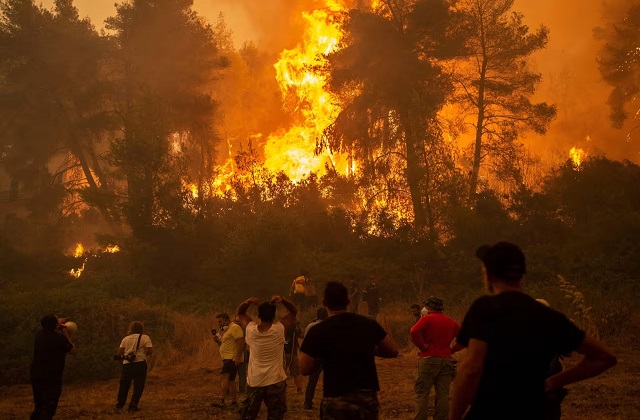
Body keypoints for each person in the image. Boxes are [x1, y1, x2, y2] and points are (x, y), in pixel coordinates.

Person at [450, 242, 618, 420]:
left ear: (488, 274)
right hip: (537, 412)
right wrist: (555, 381)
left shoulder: (485, 308)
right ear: (521, 274)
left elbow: (472, 368)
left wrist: (454, 416)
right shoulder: (549, 316)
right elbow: (605, 357)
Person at [299, 281, 399, 419]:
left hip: (335, 396)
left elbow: (304, 368)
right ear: (348, 301)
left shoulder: (317, 330)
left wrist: (323, 356)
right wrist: (368, 349)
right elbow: (393, 350)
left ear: (324, 302)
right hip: (365, 397)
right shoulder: (368, 324)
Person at [237, 295, 298, 420]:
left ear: (258, 316)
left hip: (255, 381)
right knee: (276, 415)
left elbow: (240, 312)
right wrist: (282, 300)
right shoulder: (279, 329)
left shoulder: (251, 330)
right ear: (274, 316)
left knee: (249, 415)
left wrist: (248, 301)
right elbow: (293, 311)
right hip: (275, 381)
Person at [410, 296, 462, 420]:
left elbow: (413, 331)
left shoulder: (427, 319)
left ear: (429, 307)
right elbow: (464, 339)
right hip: (446, 360)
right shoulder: (451, 321)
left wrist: (422, 347)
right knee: (443, 395)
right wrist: (452, 350)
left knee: (422, 393)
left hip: (428, 359)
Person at [30, 314, 76, 420]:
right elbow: (73, 350)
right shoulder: (59, 338)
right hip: (52, 377)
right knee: (49, 406)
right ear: (55, 325)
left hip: (36, 375)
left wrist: (57, 323)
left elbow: (48, 325)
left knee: (39, 405)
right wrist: (66, 334)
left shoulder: (39, 335)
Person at [115, 321, 153, 413]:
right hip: (140, 363)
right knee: (138, 385)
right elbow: (150, 350)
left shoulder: (125, 339)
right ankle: (133, 406)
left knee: (124, 385)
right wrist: (144, 353)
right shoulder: (145, 337)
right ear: (142, 328)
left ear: (131, 328)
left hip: (127, 364)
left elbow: (119, 353)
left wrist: (127, 355)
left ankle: (119, 406)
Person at [212, 313, 245, 409]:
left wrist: (238, 357)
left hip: (231, 358)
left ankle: (222, 401)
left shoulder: (235, 328)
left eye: (220, 321)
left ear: (227, 320)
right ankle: (234, 402)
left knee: (224, 377)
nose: (219, 324)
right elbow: (224, 345)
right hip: (228, 358)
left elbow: (241, 342)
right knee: (231, 381)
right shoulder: (228, 330)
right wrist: (218, 341)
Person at [302, 307, 328, 410]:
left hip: (314, 356)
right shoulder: (329, 325)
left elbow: (305, 341)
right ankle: (326, 403)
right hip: (327, 356)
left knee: (312, 381)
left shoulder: (310, 326)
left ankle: (307, 403)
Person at [284, 320, 304, 393]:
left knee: (295, 371)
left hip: (292, 352)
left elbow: (301, 335)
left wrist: (297, 327)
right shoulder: (285, 327)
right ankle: (284, 387)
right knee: (282, 371)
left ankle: (299, 389)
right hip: (286, 352)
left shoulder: (294, 327)